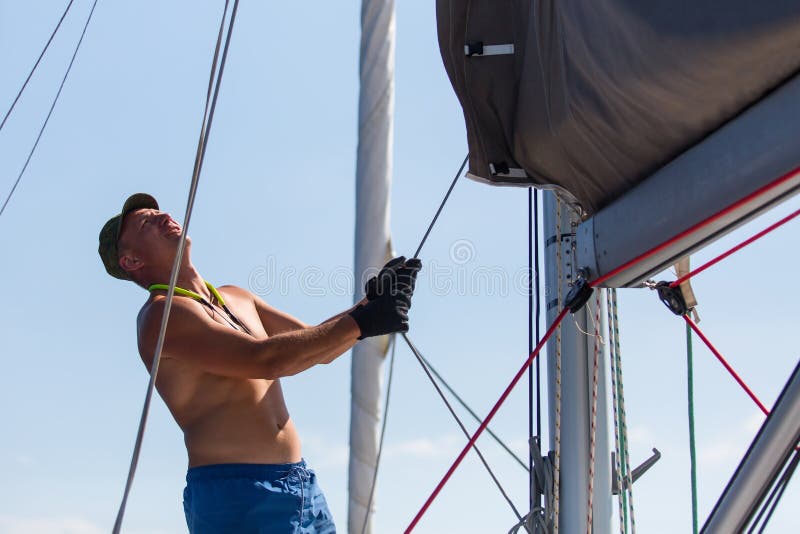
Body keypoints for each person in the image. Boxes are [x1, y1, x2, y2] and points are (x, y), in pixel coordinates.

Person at [98, 193, 420, 533]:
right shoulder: (162, 316)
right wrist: (365, 320)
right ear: (131, 261)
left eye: (159, 211)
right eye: (146, 222)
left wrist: (372, 303)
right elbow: (266, 359)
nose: (163, 216)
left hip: (300, 485)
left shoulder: (236, 296)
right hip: (239, 496)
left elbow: (317, 345)